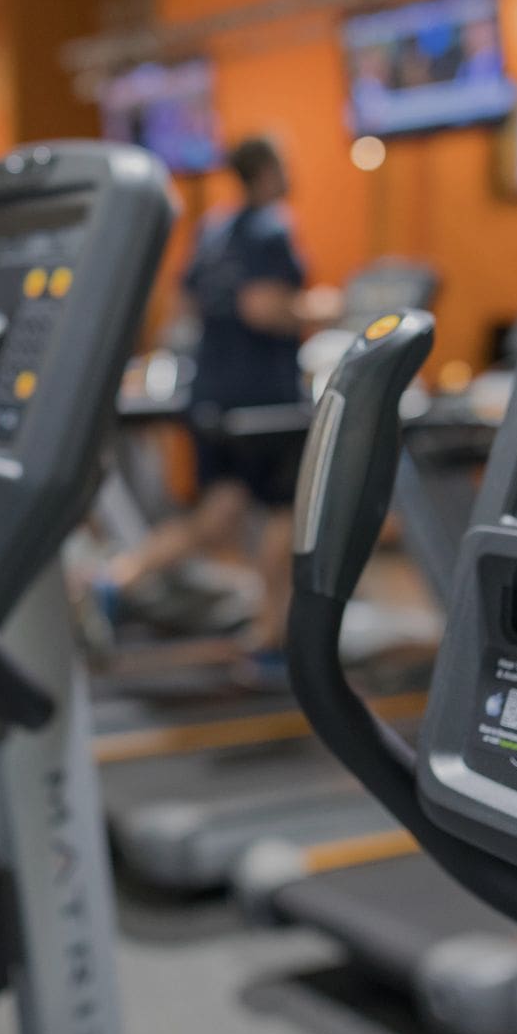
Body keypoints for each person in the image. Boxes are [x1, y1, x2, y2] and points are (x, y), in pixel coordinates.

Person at [98, 136, 336, 666]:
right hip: (263, 400)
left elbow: (182, 306)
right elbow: (262, 308)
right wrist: (324, 310)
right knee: (283, 513)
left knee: (220, 512)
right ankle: (275, 636)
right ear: (270, 171)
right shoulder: (272, 228)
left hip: (212, 392)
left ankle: (117, 579)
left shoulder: (213, 230)